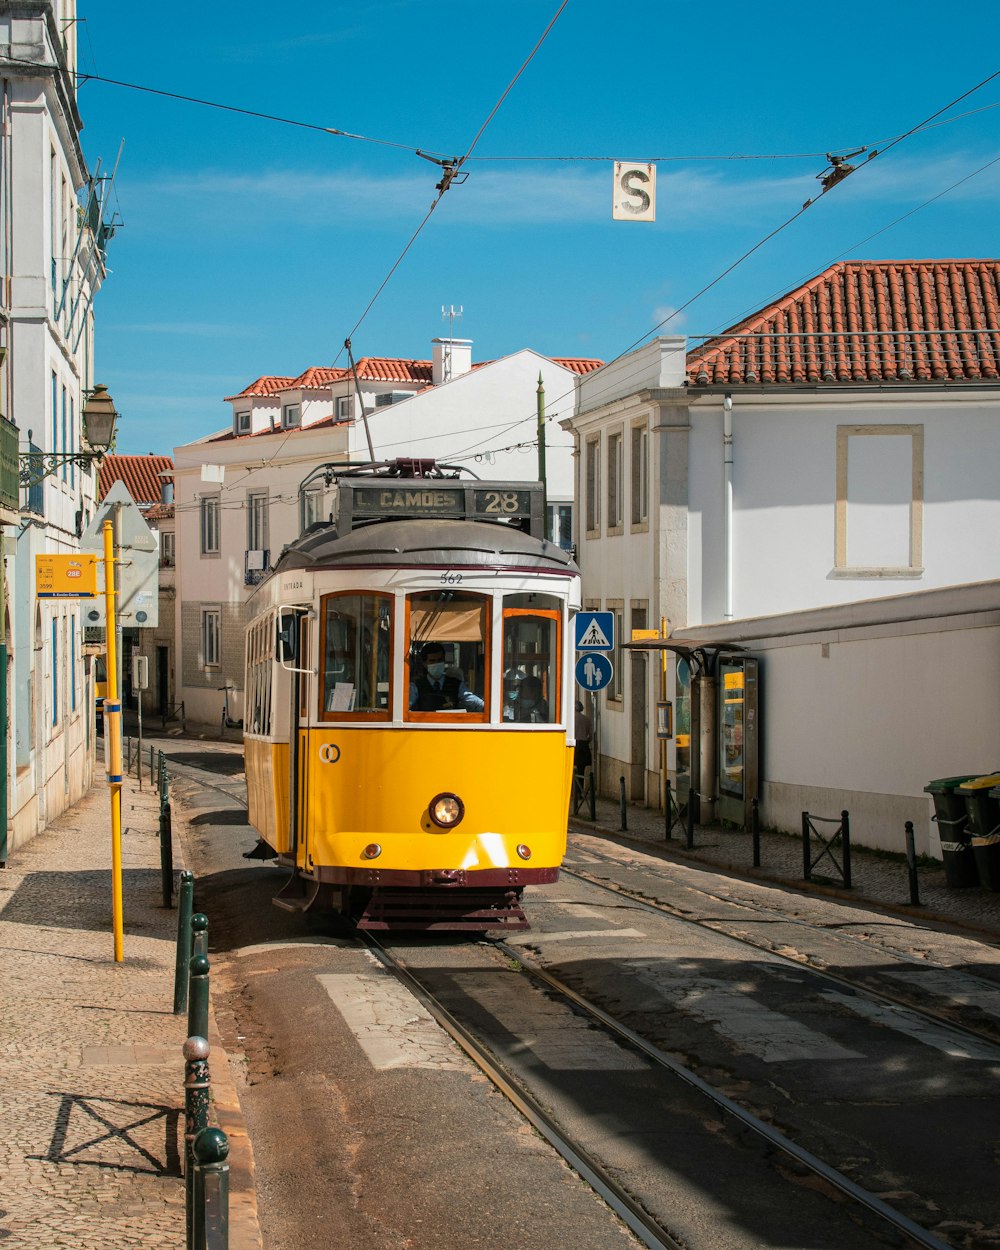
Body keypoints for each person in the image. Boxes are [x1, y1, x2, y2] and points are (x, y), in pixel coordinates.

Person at [409, 642, 484, 712]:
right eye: (432, 661)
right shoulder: (415, 686)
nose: (436, 663)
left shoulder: (457, 685)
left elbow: (474, 701)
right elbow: (406, 707)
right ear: (424, 663)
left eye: (439, 660)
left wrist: (487, 707)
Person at [574, 698, 593, 776]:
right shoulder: (586, 719)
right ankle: (580, 787)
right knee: (581, 770)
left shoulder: (570, 718)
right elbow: (590, 736)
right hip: (583, 746)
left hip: (573, 745)